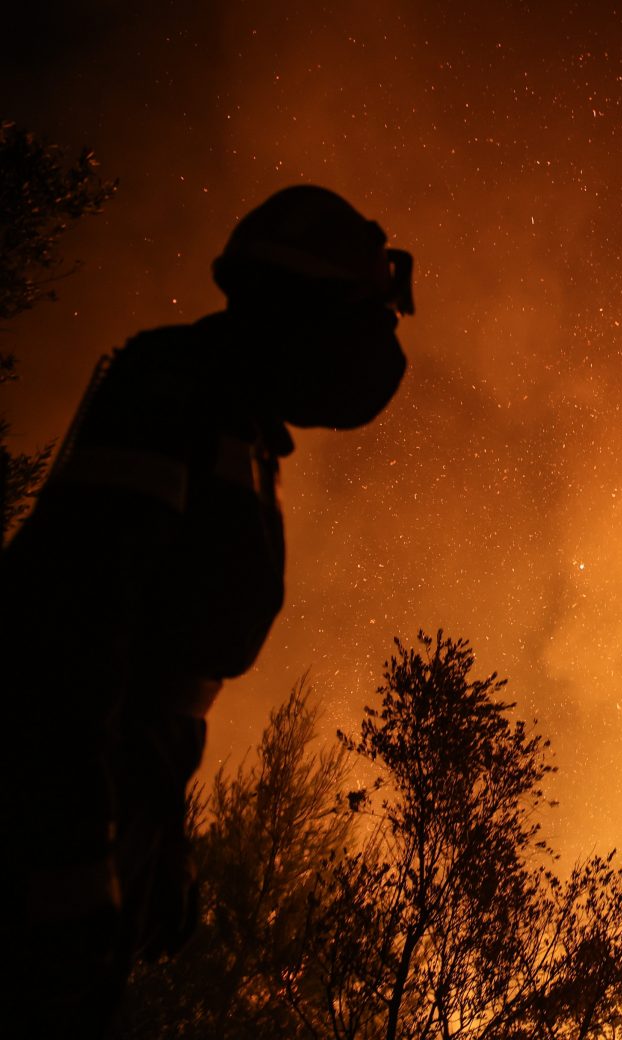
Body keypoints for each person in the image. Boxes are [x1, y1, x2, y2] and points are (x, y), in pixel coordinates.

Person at [0, 185, 413, 1034]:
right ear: (303, 307)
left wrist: (163, 842)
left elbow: (161, 667)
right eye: (367, 315)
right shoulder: (170, 392)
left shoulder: (235, 420)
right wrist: (72, 869)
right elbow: (69, 635)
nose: (379, 346)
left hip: (118, 783)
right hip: (39, 816)